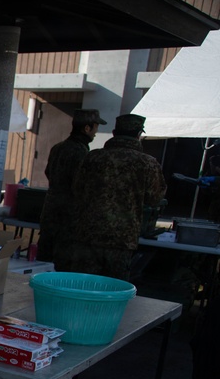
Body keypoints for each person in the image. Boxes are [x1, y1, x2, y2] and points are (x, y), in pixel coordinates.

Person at [58, 113, 167, 280]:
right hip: (121, 240)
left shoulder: (92, 157)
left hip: (87, 235)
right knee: (112, 292)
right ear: (139, 135)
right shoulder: (147, 163)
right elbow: (155, 198)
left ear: (114, 133)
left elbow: (77, 189)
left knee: (81, 288)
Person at [37, 108, 107, 264]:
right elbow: (83, 185)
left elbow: (48, 172)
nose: (96, 132)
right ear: (87, 128)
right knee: (63, 267)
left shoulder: (58, 147)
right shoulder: (81, 153)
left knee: (43, 264)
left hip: (50, 213)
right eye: (95, 127)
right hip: (69, 218)